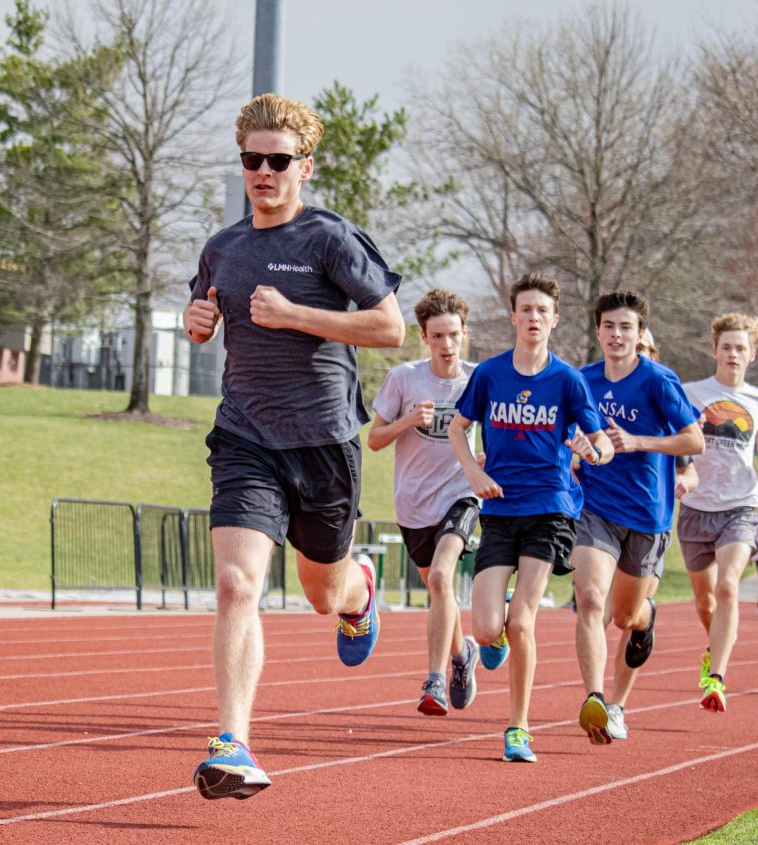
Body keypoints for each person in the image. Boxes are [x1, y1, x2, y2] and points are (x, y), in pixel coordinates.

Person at [185, 93, 404, 799]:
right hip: (247, 436)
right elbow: (207, 314)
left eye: (278, 160)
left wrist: (296, 316)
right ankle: (232, 740)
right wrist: (196, 320)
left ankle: (358, 589)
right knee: (235, 583)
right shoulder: (222, 248)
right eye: (253, 159)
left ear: (303, 167)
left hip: (324, 443)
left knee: (321, 593)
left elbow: (389, 327)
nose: (264, 171)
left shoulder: (331, 240)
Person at [448, 272, 613, 763]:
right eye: (527, 310)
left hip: (550, 508)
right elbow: (459, 430)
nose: (535, 318)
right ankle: (489, 642)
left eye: (544, 311)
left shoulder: (567, 379)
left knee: (521, 621)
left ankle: (518, 728)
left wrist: (594, 449)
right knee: (484, 628)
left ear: (554, 320)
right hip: (498, 507)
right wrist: (474, 472)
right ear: (513, 317)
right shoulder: (490, 374)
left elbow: (601, 441)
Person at [570, 292, 702, 744]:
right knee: (589, 599)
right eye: (609, 326)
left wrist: (638, 441)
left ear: (639, 333)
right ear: (598, 331)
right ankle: (597, 701)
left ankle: (646, 617)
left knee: (626, 618)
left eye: (626, 327)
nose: (617, 335)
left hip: (647, 514)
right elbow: (569, 432)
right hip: (596, 507)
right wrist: (573, 451)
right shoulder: (582, 380)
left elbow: (694, 442)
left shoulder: (659, 381)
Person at [368, 289, 480, 716]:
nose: (447, 345)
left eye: (453, 335)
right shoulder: (404, 379)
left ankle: (433, 680)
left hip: (460, 495)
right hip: (413, 503)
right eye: (438, 336)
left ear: (465, 334)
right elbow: (374, 440)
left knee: (439, 580)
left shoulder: (477, 379)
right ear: (424, 337)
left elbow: (500, 431)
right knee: (440, 589)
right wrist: (408, 421)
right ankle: (460, 655)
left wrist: (487, 460)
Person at [677, 313, 758, 713]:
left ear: (751, 354)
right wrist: (682, 473)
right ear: (714, 351)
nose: (733, 354)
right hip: (696, 508)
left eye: (740, 348)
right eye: (727, 347)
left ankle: (716, 677)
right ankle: (713, 647)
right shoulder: (690, 393)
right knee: (706, 604)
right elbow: (676, 437)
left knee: (728, 587)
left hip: (740, 506)